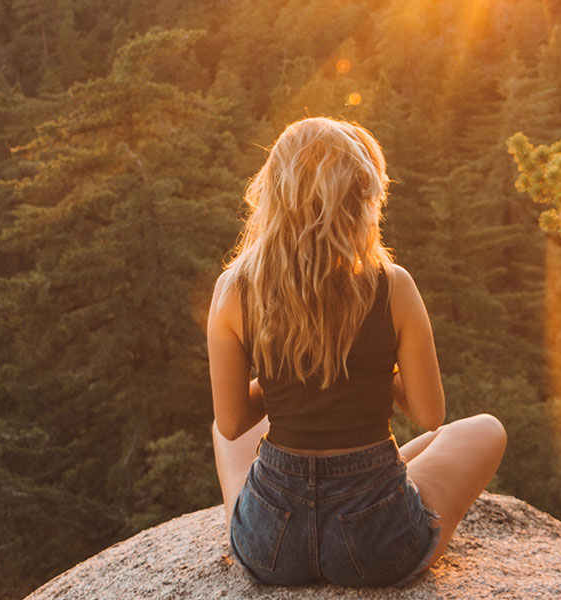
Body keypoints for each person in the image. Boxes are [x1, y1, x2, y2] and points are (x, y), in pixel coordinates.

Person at [208, 117, 506, 587]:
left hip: (273, 547)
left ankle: (243, 526)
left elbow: (231, 422)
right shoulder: (393, 285)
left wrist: (291, 378)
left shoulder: (235, 289)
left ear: (274, 196)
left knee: (225, 436)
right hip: (377, 544)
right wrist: (360, 369)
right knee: (486, 430)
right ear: (363, 199)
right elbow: (430, 413)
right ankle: (364, 492)